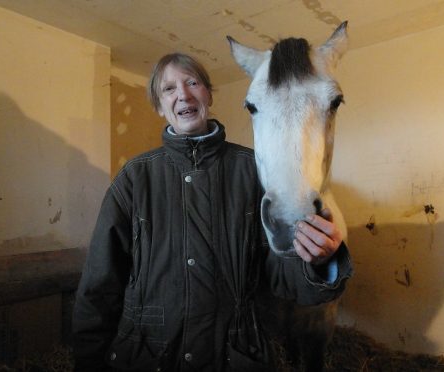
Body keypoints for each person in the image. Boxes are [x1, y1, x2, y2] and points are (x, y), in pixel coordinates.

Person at [72, 53, 353, 372]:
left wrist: (319, 262)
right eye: (169, 89)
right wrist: (87, 359)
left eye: (193, 83)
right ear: (159, 107)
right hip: (148, 358)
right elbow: (100, 284)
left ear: (207, 94)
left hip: (235, 357)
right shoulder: (134, 179)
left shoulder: (255, 172)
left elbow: (283, 276)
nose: (183, 94)